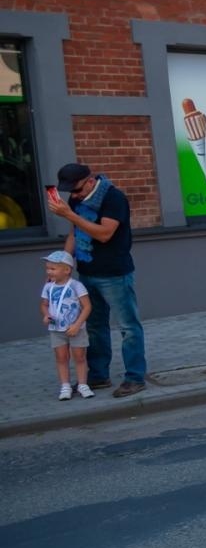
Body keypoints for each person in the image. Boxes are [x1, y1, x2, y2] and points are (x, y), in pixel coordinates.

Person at [46, 162, 146, 397]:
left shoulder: (113, 198)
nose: (74, 195)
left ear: (90, 181)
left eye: (77, 190)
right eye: (70, 192)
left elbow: (104, 234)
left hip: (115, 274)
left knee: (128, 327)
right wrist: (63, 265)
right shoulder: (76, 199)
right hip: (87, 273)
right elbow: (75, 233)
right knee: (94, 326)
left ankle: (135, 378)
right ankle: (99, 376)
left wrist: (70, 214)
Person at [40, 249, 94, 400]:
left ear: (67, 270)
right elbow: (44, 304)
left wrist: (77, 325)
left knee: (79, 357)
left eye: (53, 269)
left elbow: (87, 306)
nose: (49, 272)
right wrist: (46, 314)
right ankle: (65, 386)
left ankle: (83, 384)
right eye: (47, 268)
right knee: (61, 357)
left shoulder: (76, 286)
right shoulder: (48, 287)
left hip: (76, 329)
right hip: (56, 329)